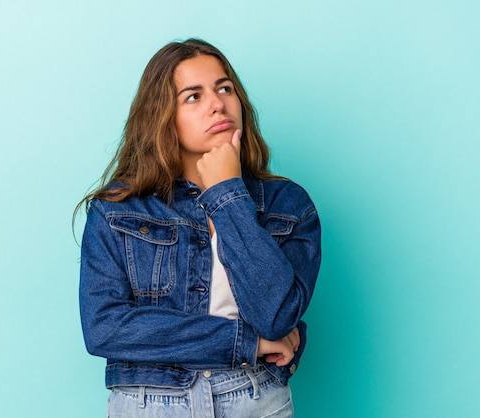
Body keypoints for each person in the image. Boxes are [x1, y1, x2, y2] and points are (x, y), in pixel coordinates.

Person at [77, 38, 321, 417]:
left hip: (254, 399)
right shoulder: (117, 210)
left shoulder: (287, 205)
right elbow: (105, 328)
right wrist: (246, 342)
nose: (217, 104)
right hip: (149, 404)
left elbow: (275, 316)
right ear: (162, 116)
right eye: (193, 96)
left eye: (225, 88)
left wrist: (226, 194)